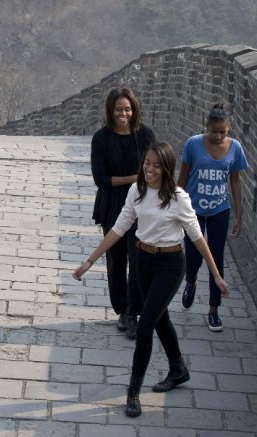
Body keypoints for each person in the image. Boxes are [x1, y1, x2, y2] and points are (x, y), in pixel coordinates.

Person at [73, 141, 229, 418]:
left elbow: (197, 236)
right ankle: (178, 368)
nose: (150, 169)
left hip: (169, 264)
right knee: (161, 319)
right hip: (142, 261)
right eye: (147, 163)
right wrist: (90, 261)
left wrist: (215, 275)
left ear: (167, 168)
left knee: (144, 327)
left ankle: (133, 392)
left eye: (156, 165)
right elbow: (120, 227)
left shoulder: (178, 197)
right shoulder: (137, 190)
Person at [90, 87, 156, 339]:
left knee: (138, 258)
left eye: (127, 109)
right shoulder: (101, 138)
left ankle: (135, 310)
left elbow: (158, 166)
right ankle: (123, 309)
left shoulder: (145, 135)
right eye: (119, 109)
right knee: (117, 259)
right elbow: (101, 178)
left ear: (134, 109)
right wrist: (134, 178)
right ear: (110, 110)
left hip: (142, 204)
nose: (123, 113)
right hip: (113, 205)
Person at [178, 100, 249, 332]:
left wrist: (238, 215)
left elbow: (236, 181)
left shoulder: (235, 148)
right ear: (206, 126)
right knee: (193, 256)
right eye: (214, 131)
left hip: (220, 209)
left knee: (216, 258)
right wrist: (175, 206)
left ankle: (213, 310)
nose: (218, 136)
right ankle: (190, 281)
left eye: (223, 132)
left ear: (229, 129)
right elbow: (183, 176)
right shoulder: (193, 144)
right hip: (193, 210)